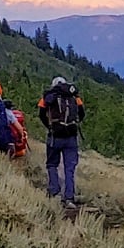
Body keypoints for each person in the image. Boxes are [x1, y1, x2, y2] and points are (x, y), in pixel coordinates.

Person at [37, 76, 85, 210]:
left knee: (52, 164)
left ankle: (54, 191)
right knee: (69, 167)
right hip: (71, 136)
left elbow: (41, 113)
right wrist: (74, 124)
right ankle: (69, 197)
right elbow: (81, 112)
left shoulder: (49, 96)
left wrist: (49, 126)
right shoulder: (73, 95)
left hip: (55, 136)